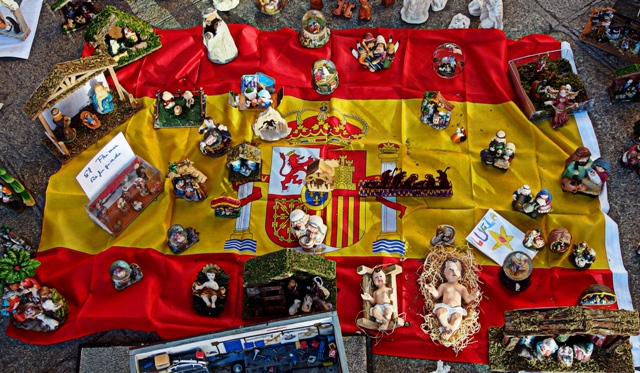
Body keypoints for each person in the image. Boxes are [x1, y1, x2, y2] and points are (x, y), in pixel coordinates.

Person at [425, 258, 480, 340]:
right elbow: (437, 296)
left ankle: (449, 333)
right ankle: (447, 327)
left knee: (458, 318)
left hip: (456, 309)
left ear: (461, 274)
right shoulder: (443, 285)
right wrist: (433, 291)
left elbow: (467, 299)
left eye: (457, 270)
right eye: (450, 269)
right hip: (445, 307)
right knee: (440, 312)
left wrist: (472, 296)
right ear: (444, 273)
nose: (454, 272)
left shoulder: (462, 287)